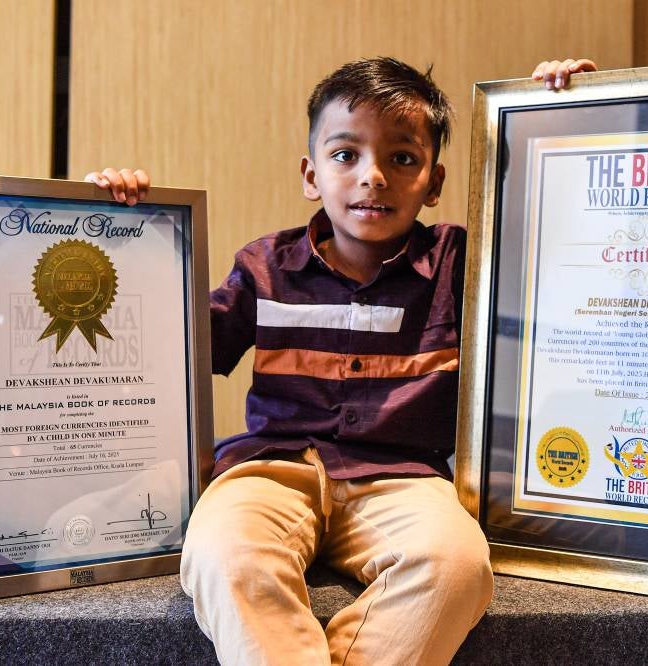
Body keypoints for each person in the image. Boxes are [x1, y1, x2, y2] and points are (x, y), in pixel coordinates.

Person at [89, 56, 596, 666]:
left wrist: (562, 114)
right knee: (226, 555)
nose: (373, 176)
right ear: (311, 174)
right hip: (272, 468)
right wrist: (117, 233)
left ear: (433, 183)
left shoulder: (461, 263)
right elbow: (169, 354)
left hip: (404, 479)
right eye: (345, 155)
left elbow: (560, 239)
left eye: (402, 158)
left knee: (455, 566)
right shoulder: (265, 266)